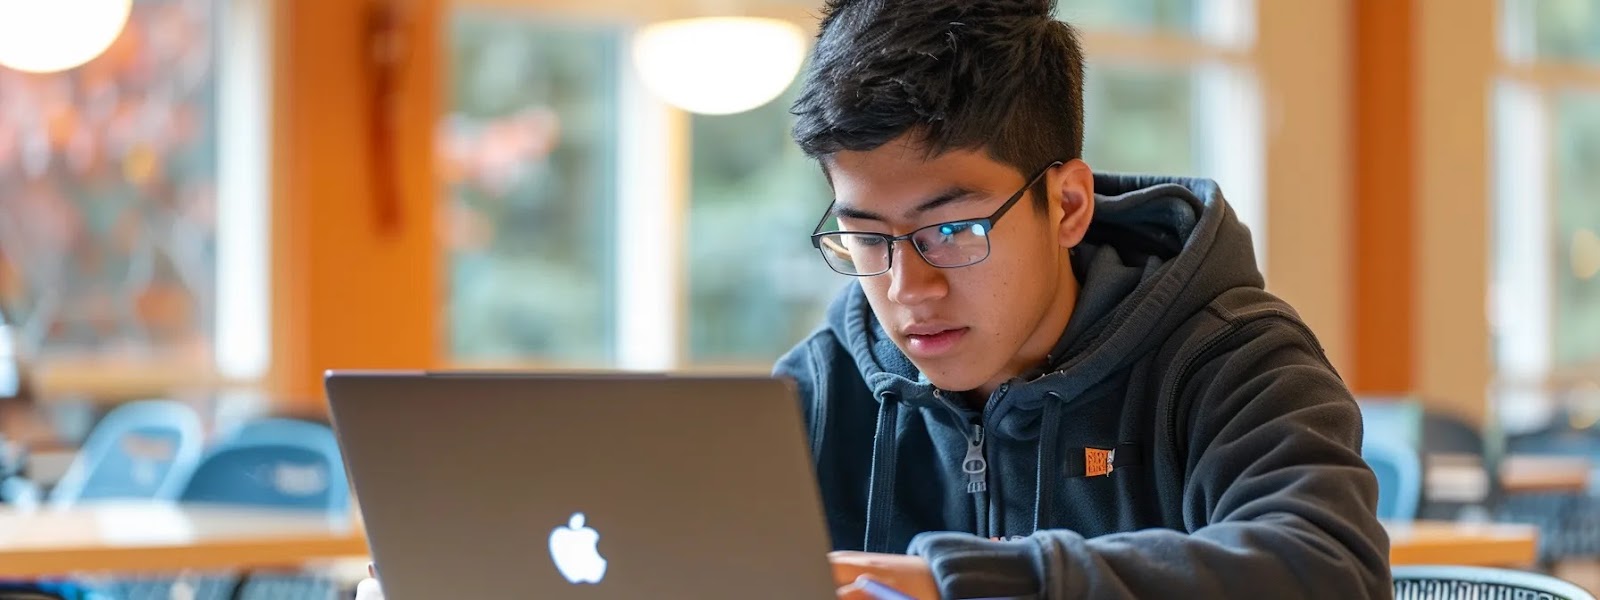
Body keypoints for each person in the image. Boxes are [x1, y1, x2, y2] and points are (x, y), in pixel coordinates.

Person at [359, 0, 1389, 597]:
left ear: (1066, 202)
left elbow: (1327, 568)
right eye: (864, 235)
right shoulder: (823, 385)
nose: (908, 288)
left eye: (951, 228)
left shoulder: (1229, 355)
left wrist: (974, 584)